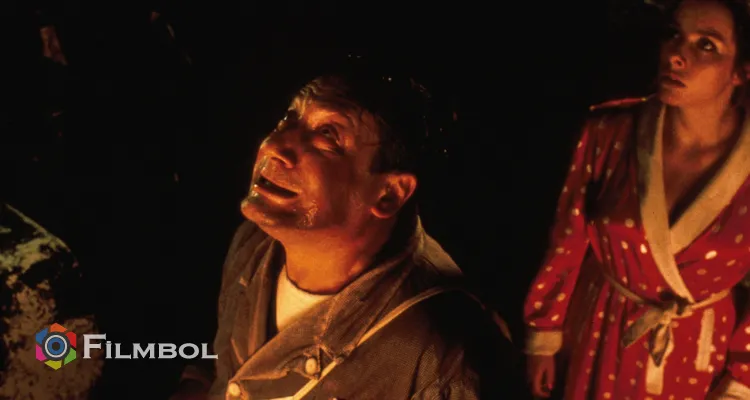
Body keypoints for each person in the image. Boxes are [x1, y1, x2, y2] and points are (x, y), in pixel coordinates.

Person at [169, 66, 525, 400]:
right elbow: (225, 368)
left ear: (389, 194)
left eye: (328, 135)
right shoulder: (253, 245)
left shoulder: (443, 356)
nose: (274, 146)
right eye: (289, 118)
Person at [523, 0, 750, 398]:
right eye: (673, 34)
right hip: (601, 331)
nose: (676, 55)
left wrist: (742, 377)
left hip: (698, 355)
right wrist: (544, 333)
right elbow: (567, 238)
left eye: (706, 45)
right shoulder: (609, 132)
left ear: (741, 72)